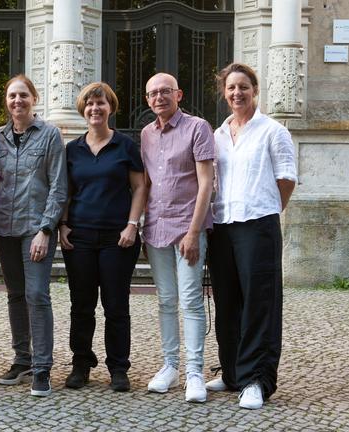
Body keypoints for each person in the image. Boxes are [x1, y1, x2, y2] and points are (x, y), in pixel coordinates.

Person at [206, 63, 297, 410]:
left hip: (258, 224)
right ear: (224, 93)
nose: (237, 93)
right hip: (223, 225)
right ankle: (232, 372)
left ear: (255, 90)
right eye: (231, 88)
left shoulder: (273, 131)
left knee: (260, 304)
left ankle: (256, 379)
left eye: (243, 87)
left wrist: (267, 209)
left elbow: (286, 179)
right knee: (227, 301)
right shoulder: (218, 134)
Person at [59, 82, 147, 392]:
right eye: (90, 104)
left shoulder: (125, 146)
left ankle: (118, 368)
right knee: (81, 304)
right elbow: (66, 191)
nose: (95, 109)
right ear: (83, 110)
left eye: (101, 103)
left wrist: (132, 224)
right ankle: (81, 364)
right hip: (79, 236)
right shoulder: (72, 149)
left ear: (111, 107)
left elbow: (140, 187)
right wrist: (63, 225)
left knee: (116, 305)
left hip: (118, 237)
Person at [140, 73, 214, 403]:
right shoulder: (146, 134)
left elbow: (206, 183)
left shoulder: (197, 128)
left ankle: (195, 372)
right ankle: (170, 366)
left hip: (188, 228)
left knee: (191, 300)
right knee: (166, 300)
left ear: (178, 94)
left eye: (165, 91)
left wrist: (195, 232)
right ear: (147, 100)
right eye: (153, 93)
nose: (159, 97)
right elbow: (147, 183)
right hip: (156, 228)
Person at [0, 75, 67, 397]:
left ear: (33, 98)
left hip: (36, 229)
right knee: (15, 295)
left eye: (23, 95)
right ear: (6, 101)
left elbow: (58, 186)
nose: (17, 101)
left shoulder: (50, 135)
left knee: (37, 296)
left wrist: (46, 230)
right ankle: (22, 359)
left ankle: (42, 368)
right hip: (5, 229)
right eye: (12, 96)